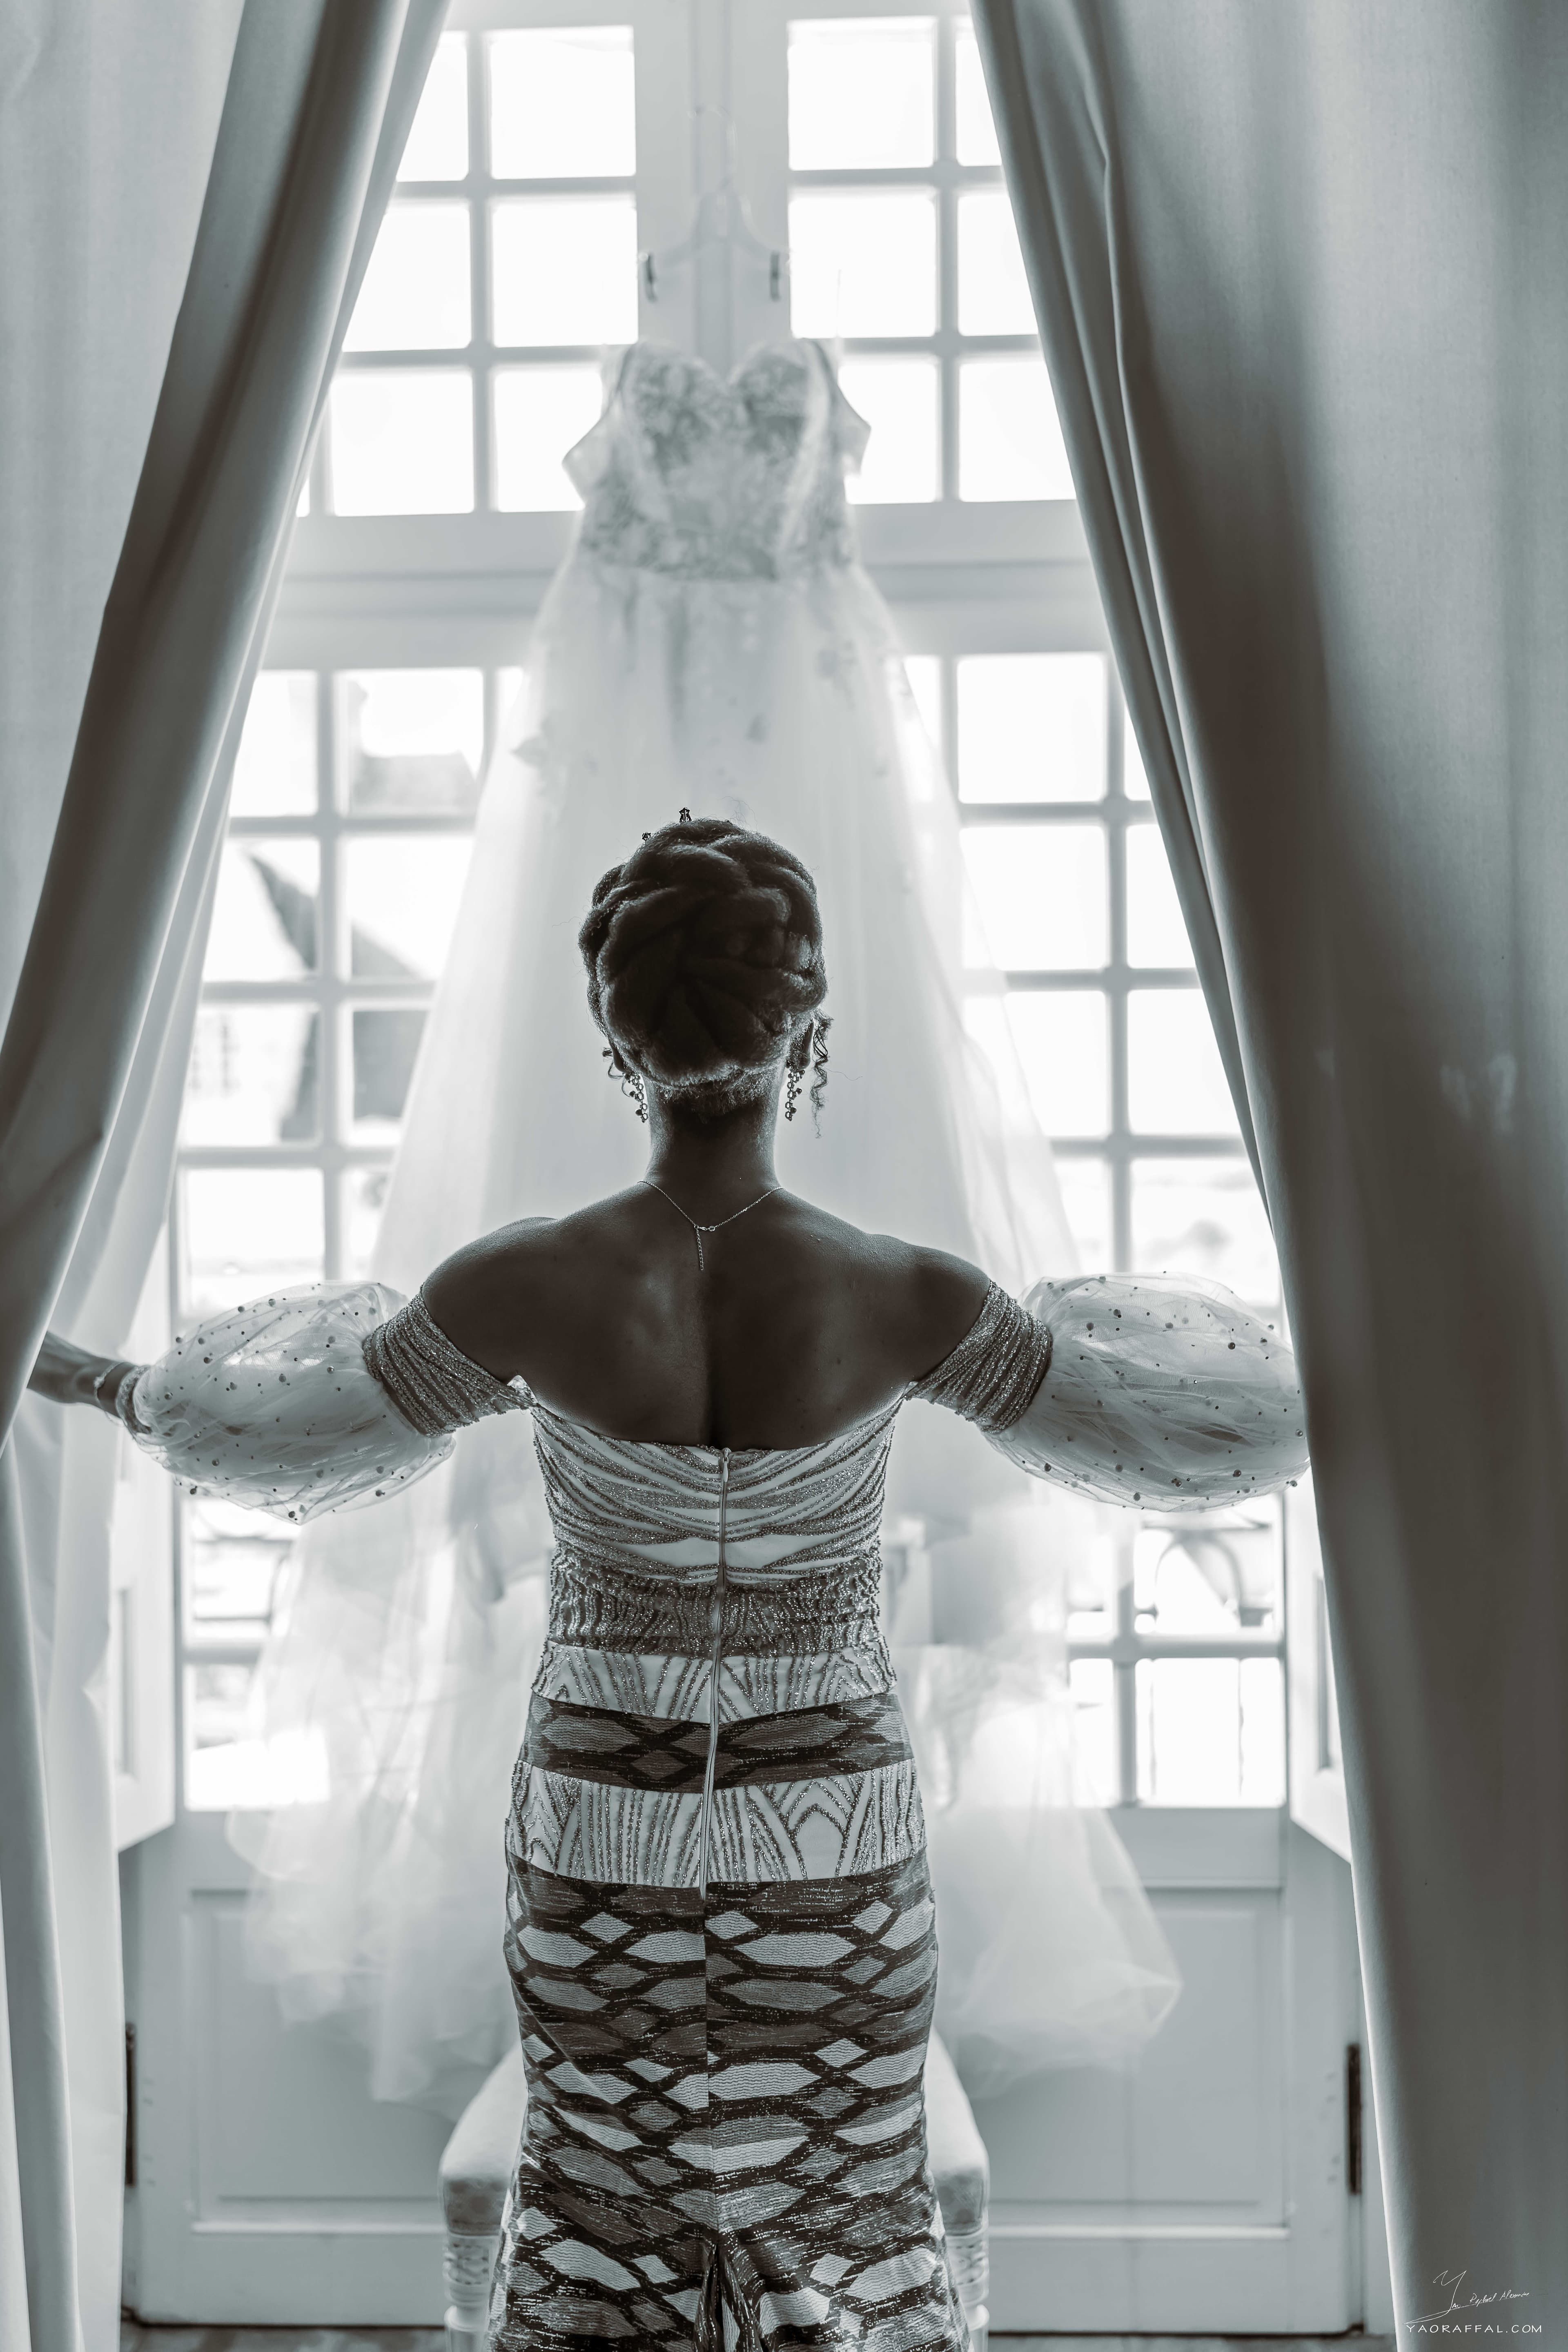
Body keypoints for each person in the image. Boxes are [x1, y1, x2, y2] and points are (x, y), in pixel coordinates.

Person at [34, 816, 1307, 2352]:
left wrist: (80, 1375)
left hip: (596, 1830)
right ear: (803, 1028)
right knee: (839, 2218)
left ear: (614, 1034)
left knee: (604, 2215)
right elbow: (1188, 1426)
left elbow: (287, 1431)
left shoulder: (522, 1284)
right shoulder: (903, 1292)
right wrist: (1414, 1349)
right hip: (836, 1836)